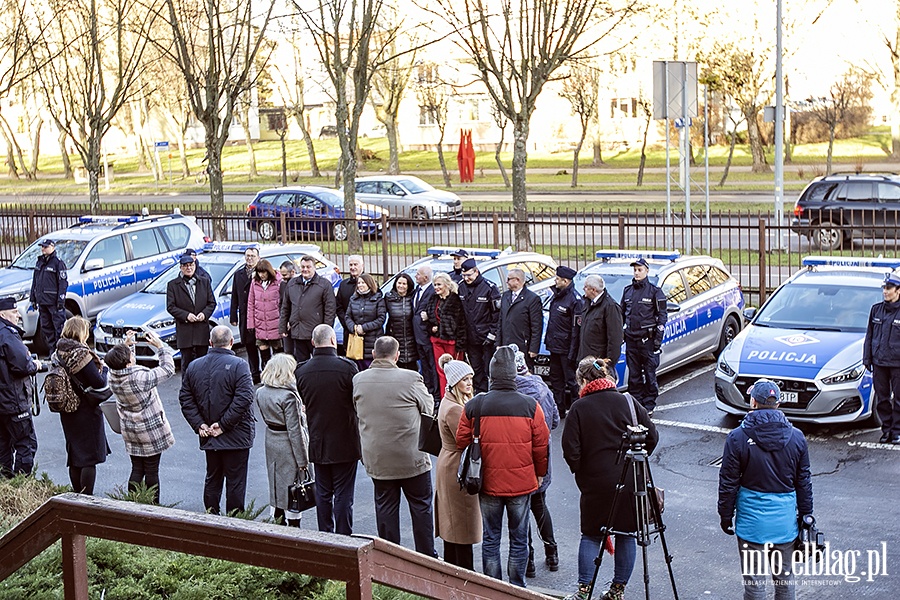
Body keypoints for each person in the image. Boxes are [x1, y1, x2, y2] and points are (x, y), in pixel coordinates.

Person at [561, 357, 658, 600]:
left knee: (592, 534)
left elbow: (570, 450)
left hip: (596, 483)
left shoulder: (579, 409)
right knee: (626, 533)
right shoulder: (628, 401)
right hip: (630, 480)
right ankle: (617, 591)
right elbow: (652, 436)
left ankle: (584, 591)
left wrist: (583, 470)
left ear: (583, 381)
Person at [456, 345, 550, 588]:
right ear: (513, 376)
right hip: (521, 483)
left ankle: (492, 588)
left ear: (491, 376)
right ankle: (516, 587)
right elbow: (541, 447)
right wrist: (539, 474)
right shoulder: (531, 406)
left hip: (486, 482)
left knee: (490, 538)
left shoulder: (476, 405)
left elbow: (461, 441)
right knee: (519, 539)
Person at [718, 378, 813, 600]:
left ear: (753, 402)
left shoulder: (737, 438)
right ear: (778, 404)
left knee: (754, 584)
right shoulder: (797, 438)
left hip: (752, 525)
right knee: (785, 581)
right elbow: (803, 480)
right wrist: (807, 514)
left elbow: (728, 482)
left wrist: (725, 515)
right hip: (784, 524)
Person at [353, 336, 436, 557]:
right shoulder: (411, 378)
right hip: (412, 457)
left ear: (373, 354)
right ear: (397, 355)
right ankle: (427, 557)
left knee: (385, 509)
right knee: (421, 508)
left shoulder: (359, 380)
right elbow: (429, 409)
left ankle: (391, 559)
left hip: (378, 458)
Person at [179, 325, 256, 515]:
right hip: (236, 437)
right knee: (235, 483)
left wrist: (200, 425)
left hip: (209, 436)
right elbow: (244, 398)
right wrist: (223, 425)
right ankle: (234, 523)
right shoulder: (240, 365)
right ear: (231, 342)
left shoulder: (194, 366)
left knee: (212, 479)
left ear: (210, 342)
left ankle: (211, 518)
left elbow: (185, 398)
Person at [295, 324, 360, 535]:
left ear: (313, 342)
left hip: (318, 439)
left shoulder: (302, 370)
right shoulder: (348, 368)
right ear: (334, 341)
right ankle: (344, 535)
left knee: (323, 492)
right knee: (343, 493)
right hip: (345, 440)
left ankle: (325, 533)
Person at [105, 330, 176, 504]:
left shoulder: (112, 376)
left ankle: (133, 502)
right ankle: (153, 505)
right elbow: (168, 369)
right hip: (149, 430)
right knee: (152, 471)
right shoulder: (140, 378)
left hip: (131, 429)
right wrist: (161, 347)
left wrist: (126, 344)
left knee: (137, 468)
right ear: (128, 362)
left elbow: (120, 362)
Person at [513, 348, 560, 578]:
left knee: (522, 511)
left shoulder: (512, 394)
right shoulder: (543, 389)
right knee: (540, 506)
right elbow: (555, 421)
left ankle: (528, 561)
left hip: (520, 459)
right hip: (543, 456)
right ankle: (552, 553)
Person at [434, 354, 481, 569]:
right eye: (465, 380)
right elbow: (467, 438)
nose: (470, 383)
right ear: (454, 383)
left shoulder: (451, 402)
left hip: (449, 462)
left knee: (452, 525)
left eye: (471, 378)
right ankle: (464, 576)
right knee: (460, 526)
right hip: (455, 467)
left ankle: (453, 572)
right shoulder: (455, 409)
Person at [55, 316, 111, 495]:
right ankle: (86, 498)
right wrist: (105, 369)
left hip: (67, 409)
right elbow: (98, 382)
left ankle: (76, 494)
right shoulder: (81, 354)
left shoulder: (59, 351)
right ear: (81, 332)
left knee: (75, 456)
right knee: (88, 458)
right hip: (85, 410)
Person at [255, 353, 309, 527]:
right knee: (293, 488)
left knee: (276, 482)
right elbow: (295, 431)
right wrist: (303, 460)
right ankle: (293, 525)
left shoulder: (261, 392)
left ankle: (277, 519)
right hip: (287, 443)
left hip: (271, 439)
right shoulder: (288, 396)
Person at [0, 296, 41, 478]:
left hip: (2, 404)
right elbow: (23, 365)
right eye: (14, 311)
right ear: (3, 314)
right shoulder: (7, 334)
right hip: (13, 401)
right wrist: (36, 366)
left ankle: (5, 485)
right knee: (26, 445)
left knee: (3, 447)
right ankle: (20, 486)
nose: (17, 315)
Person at [621, 258, 667, 414]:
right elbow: (622, 315)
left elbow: (662, 316)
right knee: (634, 375)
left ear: (647, 271)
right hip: (631, 341)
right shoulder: (627, 291)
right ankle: (636, 404)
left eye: (639, 270)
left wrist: (657, 340)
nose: (636, 273)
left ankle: (649, 405)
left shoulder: (654, 291)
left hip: (648, 341)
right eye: (634, 270)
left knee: (649, 374)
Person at [864, 271, 900, 444]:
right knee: (882, 399)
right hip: (879, 362)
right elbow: (869, 336)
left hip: (897, 364)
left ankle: (897, 431)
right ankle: (886, 430)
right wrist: (867, 359)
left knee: (899, 400)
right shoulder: (876, 309)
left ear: (898, 291)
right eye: (884, 288)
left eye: (889, 288)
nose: (885, 291)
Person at [280, 255, 336, 363]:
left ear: (314, 267)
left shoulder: (324, 285)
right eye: (303, 267)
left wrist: (326, 330)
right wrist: (283, 327)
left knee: (319, 363)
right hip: (298, 332)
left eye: (308, 267)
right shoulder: (292, 284)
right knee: (301, 364)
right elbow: (285, 307)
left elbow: (330, 310)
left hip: (316, 334)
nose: (305, 269)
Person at [166, 254, 216, 372]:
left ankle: (203, 388)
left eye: (191, 265)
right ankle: (187, 389)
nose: (189, 268)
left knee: (203, 364)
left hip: (201, 329)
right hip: (185, 332)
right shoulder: (173, 285)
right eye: (185, 266)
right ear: (181, 268)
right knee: (187, 365)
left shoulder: (204, 282)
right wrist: (186, 315)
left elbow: (212, 303)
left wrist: (204, 314)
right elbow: (171, 307)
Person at [458, 258, 501, 394]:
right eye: (464, 275)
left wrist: (492, 334)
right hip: (470, 338)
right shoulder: (461, 287)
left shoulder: (489, 287)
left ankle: (492, 394)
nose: (466, 278)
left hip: (486, 337)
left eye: (469, 275)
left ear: (476, 272)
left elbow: (497, 314)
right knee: (475, 369)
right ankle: (481, 394)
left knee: (490, 369)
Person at [545, 265, 583, 417]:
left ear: (565, 281)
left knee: (572, 382)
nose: (555, 281)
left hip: (566, 349)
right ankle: (559, 410)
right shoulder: (557, 295)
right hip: (554, 347)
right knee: (556, 381)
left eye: (558, 279)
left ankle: (575, 411)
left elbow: (576, 330)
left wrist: (572, 353)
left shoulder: (574, 300)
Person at [423, 273, 467, 394]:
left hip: (452, 341)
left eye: (439, 285)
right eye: (435, 285)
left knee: (454, 370)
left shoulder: (455, 300)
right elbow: (429, 318)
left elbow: (460, 323)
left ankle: (456, 397)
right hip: (437, 340)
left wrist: (460, 344)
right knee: (441, 370)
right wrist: (431, 327)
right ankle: (445, 397)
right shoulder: (433, 299)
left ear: (447, 285)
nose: (436, 287)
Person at [576, 274, 623, 379]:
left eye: (585, 288)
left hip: (597, 365)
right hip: (585, 362)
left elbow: (615, 339)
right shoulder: (588, 303)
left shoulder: (610, 307)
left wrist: (607, 366)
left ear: (593, 290)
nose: (583, 289)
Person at [498, 269, 543, 371]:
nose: (506, 282)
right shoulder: (505, 296)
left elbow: (536, 326)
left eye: (509, 279)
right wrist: (498, 343)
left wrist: (533, 349)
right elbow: (501, 321)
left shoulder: (532, 299)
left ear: (517, 280)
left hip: (523, 346)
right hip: (506, 345)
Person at [230, 246, 262, 383]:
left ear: (258, 258)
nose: (249, 258)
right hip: (245, 316)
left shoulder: (262, 273)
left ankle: (265, 373)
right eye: (247, 256)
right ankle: (254, 374)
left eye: (252, 256)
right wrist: (233, 316)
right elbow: (234, 296)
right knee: (249, 346)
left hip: (259, 315)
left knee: (263, 345)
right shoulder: (239, 274)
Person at [30, 239, 67, 354]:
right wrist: (33, 298)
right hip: (42, 301)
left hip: (53, 302)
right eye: (42, 247)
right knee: (46, 327)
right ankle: (52, 351)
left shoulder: (57, 263)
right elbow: (35, 281)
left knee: (59, 327)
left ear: (52, 247)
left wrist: (61, 300)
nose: (43, 249)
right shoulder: (40, 262)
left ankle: (60, 351)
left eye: (45, 247)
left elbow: (63, 283)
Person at [345, 272, 387, 371]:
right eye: (359, 283)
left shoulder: (378, 299)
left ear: (369, 284)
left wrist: (364, 328)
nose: (360, 285)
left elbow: (381, 319)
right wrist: (354, 328)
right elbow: (347, 316)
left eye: (363, 283)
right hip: (356, 342)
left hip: (372, 341)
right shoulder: (353, 299)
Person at [247, 259, 283, 370]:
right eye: (259, 272)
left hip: (275, 324)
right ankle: (266, 376)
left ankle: (279, 376)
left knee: (278, 353)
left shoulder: (278, 282)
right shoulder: (254, 283)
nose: (262, 275)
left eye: (264, 272)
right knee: (264, 353)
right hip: (260, 325)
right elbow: (251, 303)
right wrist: (250, 324)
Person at [412, 265, 439, 400]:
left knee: (431, 364)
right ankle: (428, 389)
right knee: (424, 365)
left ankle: (435, 392)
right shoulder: (417, 289)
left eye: (418, 274)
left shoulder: (432, 291)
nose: (416, 276)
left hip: (428, 335)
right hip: (418, 336)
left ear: (426, 277)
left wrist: (428, 316)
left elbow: (435, 310)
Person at [385, 273, 419, 371]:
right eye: (399, 283)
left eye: (404, 284)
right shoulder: (389, 298)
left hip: (412, 338)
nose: (401, 286)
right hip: (395, 336)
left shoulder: (413, 297)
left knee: (412, 368)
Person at [336, 254, 365, 352]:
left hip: (366, 333)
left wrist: (362, 327)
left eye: (355, 264)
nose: (353, 267)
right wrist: (348, 324)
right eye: (351, 265)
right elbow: (338, 307)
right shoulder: (343, 285)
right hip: (348, 332)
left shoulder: (371, 283)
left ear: (362, 265)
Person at [278, 261, 296, 358]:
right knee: (288, 352)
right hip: (286, 323)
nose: (283, 277)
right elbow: (282, 305)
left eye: (285, 275)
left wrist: (291, 320)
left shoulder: (298, 285)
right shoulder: (283, 285)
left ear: (292, 272)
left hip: (296, 323)